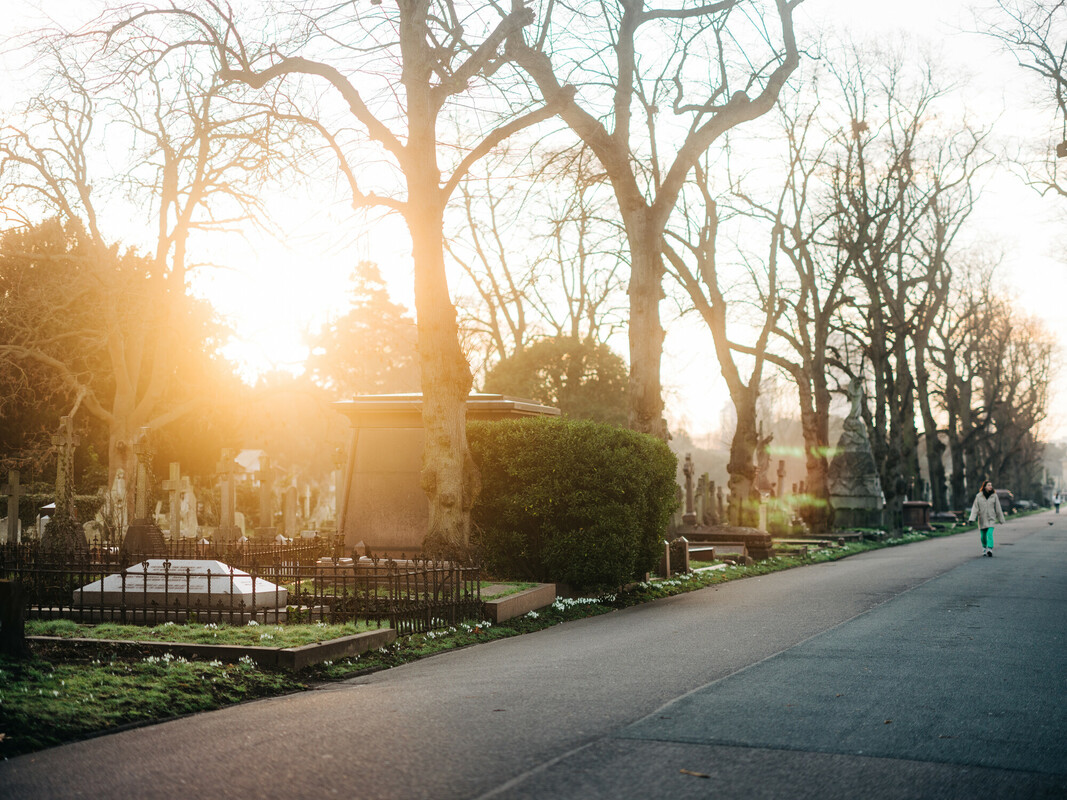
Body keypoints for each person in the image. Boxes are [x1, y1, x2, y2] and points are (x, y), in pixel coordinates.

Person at [968, 480, 1006, 557]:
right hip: (982, 519)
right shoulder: (978, 496)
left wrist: (1001, 519)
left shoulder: (994, 496)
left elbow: (998, 508)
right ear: (984, 486)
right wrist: (972, 518)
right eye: (989, 485)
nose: (990, 486)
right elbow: (975, 508)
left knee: (989, 533)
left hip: (991, 518)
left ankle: (990, 549)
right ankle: (984, 548)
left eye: (991, 485)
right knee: (983, 536)